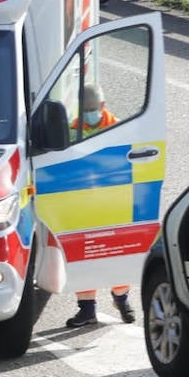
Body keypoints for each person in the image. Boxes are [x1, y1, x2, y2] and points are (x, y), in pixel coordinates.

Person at [65, 83, 135, 326]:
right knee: (84, 255)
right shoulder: (72, 129)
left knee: (116, 253)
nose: (89, 114)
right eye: (86, 110)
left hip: (112, 201)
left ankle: (122, 299)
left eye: (93, 109)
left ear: (103, 106)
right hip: (83, 202)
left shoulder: (119, 126)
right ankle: (87, 310)